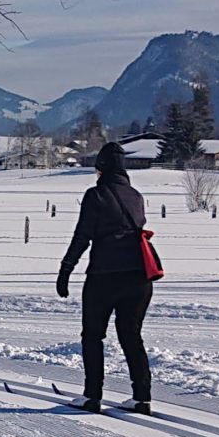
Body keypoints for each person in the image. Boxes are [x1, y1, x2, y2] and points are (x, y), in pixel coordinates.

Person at [57, 139, 154, 412]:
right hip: (139, 277)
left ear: (101, 169)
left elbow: (82, 236)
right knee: (131, 335)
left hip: (105, 275)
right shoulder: (136, 196)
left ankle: (92, 396)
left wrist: (66, 269)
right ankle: (141, 397)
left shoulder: (95, 195)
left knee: (93, 335)